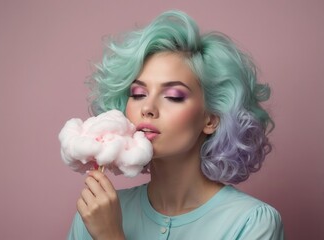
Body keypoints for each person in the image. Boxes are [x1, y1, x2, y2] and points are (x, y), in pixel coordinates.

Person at [67, 10, 284, 240]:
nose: (147, 108)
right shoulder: (97, 214)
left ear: (211, 118)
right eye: (138, 93)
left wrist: (111, 236)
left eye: (173, 96)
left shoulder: (251, 223)